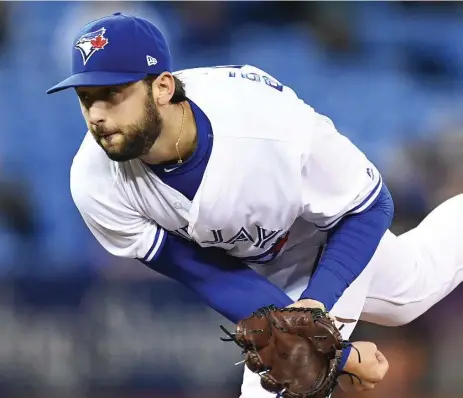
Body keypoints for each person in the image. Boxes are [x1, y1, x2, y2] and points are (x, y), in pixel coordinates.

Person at [47, 12, 463, 397]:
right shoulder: (94, 181)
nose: (97, 115)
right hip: (260, 261)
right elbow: (206, 274)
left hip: (330, 233)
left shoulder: (269, 130)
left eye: (113, 94)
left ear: (162, 87)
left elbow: (369, 207)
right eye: (87, 98)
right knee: (414, 286)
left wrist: (316, 310)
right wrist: (339, 353)